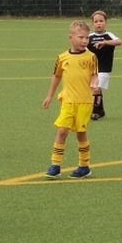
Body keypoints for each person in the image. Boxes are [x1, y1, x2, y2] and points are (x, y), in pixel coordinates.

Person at [42, 19, 99, 179]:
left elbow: (94, 74)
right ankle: (55, 165)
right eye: (81, 37)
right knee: (62, 131)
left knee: (81, 133)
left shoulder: (91, 57)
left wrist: (95, 84)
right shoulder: (62, 58)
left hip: (85, 101)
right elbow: (57, 76)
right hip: (68, 101)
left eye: (87, 38)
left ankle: (84, 166)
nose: (84, 41)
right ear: (71, 37)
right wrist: (49, 95)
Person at [88, 10, 122, 120]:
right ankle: (101, 111)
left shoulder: (109, 35)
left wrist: (105, 42)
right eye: (96, 21)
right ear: (92, 24)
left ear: (106, 22)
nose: (99, 23)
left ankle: (95, 112)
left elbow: (119, 42)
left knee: (96, 88)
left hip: (104, 68)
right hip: (91, 69)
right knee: (94, 89)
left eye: (101, 21)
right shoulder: (90, 37)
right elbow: (82, 47)